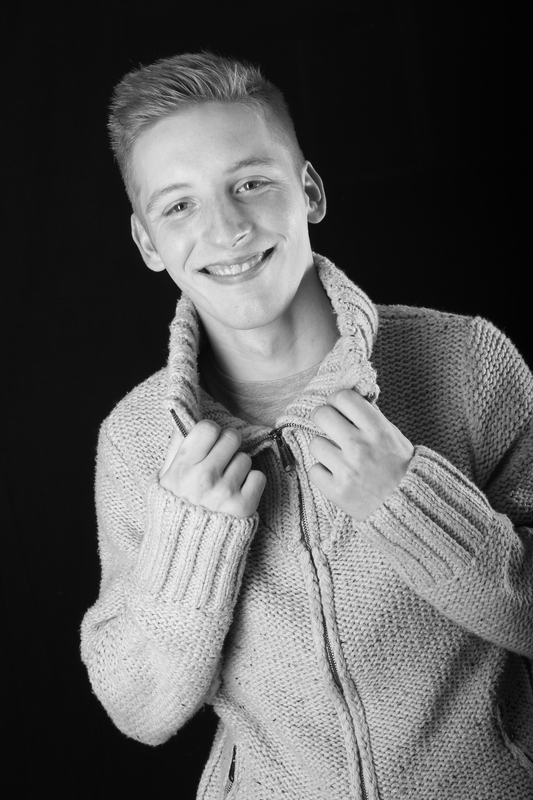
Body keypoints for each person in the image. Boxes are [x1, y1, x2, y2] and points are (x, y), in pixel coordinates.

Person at [80, 52, 533, 799]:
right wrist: (192, 543)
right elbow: (140, 711)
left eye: (250, 183)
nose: (226, 229)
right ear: (147, 243)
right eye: (179, 206)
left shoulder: (468, 364)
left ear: (309, 191)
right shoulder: (136, 442)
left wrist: (412, 504)